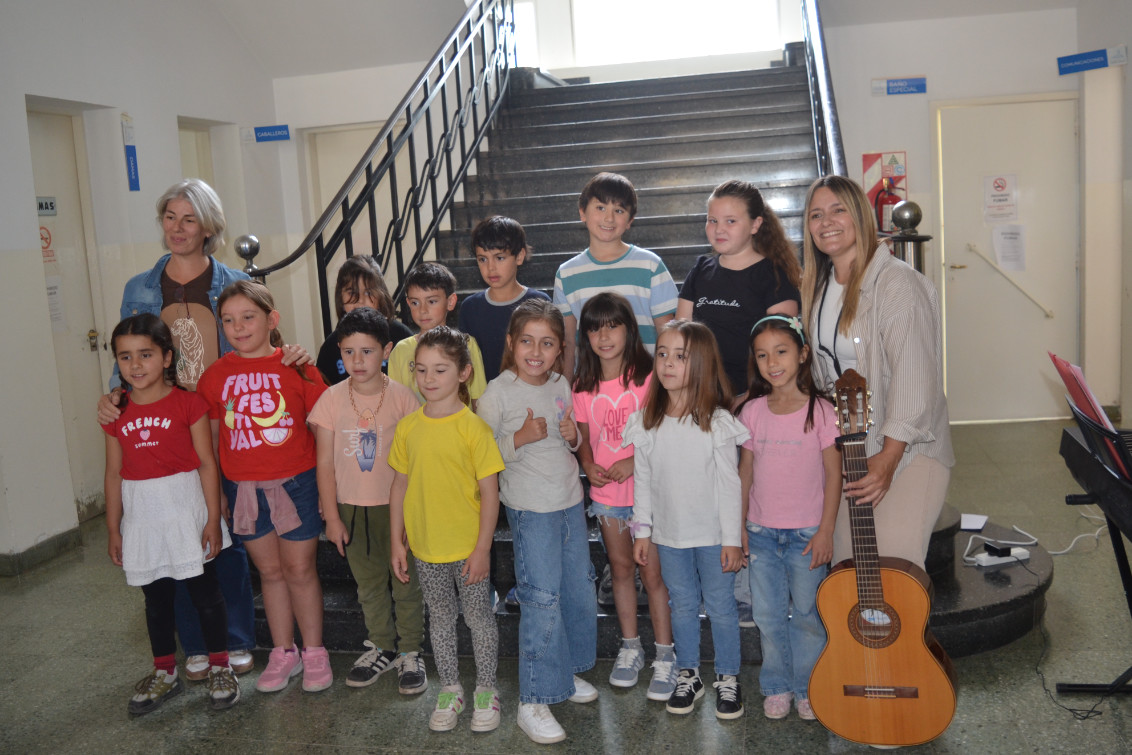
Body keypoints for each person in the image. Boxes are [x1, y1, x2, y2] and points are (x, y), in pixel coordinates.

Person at [102, 178, 263, 682]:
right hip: (164, 430)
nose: (178, 228)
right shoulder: (139, 289)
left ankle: (235, 640)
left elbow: (258, 345)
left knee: (224, 537)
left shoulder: (233, 282)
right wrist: (113, 399)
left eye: (189, 219)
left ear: (208, 227)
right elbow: (128, 353)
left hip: (223, 424)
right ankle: (194, 645)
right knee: (174, 543)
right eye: (170, 217)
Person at [800, 175, 953, 570]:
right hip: (853, 448)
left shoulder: (897, 283)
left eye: (838, 210)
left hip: (907, 449)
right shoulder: (818, 285)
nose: (826, 222)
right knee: (848, 569)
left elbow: (914, 377)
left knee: (891, 571)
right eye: (816, 215)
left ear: (861, 216)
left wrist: (888, 457)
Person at [196, 280, 336, 694]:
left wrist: (328, 490)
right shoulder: (214, 377)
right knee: (270, 573)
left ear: (271, 319)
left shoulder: (297, 367)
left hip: (297, 484)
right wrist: (219, 495)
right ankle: (283, 651)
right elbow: (211, 441)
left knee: (299, 570)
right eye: (228, 320)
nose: (238, 327)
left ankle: (315, 652)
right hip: (244, 490)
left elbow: (325, 426)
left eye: (248, 317)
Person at [102, 314, 239, 714]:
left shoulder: (189, 403)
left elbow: (207, 464)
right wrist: (114, 528)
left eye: (145, 354)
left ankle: (220, 666)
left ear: (166, 357)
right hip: (142, 515)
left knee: (205, 593)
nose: (136, 365)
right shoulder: (115, 413)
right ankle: (165, 671)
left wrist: (212, 519)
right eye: (125, 357)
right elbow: (113, 473)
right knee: (156, 599)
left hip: (185, 508)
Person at [476, 300, 598, 744]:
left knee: (578, 588)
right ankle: (533, 698)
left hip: (569, 502)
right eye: (527, 341)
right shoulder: (497, 393)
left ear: (560, 349)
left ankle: (562, 672)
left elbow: (572, 438)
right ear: (511, 343)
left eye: (547, 343)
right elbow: (479, 455)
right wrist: (518, 438)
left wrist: (574, 436)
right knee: (542, 598)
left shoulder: (562, 382)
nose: (536, 351)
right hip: (531, 510)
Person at [624, 320, 749, 719]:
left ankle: (728, 677)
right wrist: (643, 531)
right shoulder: (647, 422)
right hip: (669, 536)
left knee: (721, 607)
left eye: (680, 356)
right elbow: (643, 480)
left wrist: (732, 539)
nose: (667, 363)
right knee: (681, 605)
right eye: (662, 354)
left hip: (713, 536)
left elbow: (730, 484)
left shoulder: (716, 422)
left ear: (702, 363)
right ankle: (689, 673)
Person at [389, 326, 505, 733]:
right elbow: (399, 486)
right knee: (439, 618)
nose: (428, 378)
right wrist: (396, 542)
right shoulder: (408, 427)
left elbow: (490, 493)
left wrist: (483, 549)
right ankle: (450, 689)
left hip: (468, 547)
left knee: (478, 618)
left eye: (440, 370)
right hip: (426, 548)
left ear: (464, 373)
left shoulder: (474, 429)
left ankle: (487, 689)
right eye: (421, 369)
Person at [308, 307, 426, 693]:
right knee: (369, 583)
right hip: (351, 508)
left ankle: (410, 650)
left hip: (397, 509)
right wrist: (331, 517)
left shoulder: (404, 399)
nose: (357, 361)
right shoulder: (330, 400)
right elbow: (324, 462)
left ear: (386, 351)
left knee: (405, 581)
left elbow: (415, 461)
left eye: (367, 351)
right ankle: (382, 645)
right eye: (348, 352)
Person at [571, 292, 675, 700]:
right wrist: (587, 463)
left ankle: (665, 654)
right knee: (619, 568)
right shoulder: (582, 385)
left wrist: (634, 461)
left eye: (612, 326)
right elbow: (584, 439)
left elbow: (664, 430)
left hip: (648, 493)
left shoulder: (647, 378)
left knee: (652, 573)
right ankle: (631, 647)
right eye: (595, 329)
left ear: (629, 329)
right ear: (585, 336)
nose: (604, 336)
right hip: (609, 495)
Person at [737, 315, 840, 721]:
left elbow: (834, 474)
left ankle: (807, 687)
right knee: (767, 615)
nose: (772, 362)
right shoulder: (752, 411)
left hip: (808, 534)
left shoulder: (823, 411)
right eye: (762, 355)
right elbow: (745, 472)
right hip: (761, 532)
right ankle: (777, 685)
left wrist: (826, 530)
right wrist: (738, 526)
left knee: (809, 615)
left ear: (802, 354)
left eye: (781, 351)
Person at [676, 179, 801, 397]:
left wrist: (747, 399)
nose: (719, 229)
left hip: (755, 396)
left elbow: (781, 352)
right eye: (712, 220)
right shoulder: (700, 269)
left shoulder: (774, 276)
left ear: (755, 224)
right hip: (701, 394)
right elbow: (681, 335)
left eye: (731, 221)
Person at [553, 172, 678, 376]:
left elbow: (668, 334)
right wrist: (567, 386)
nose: (609, 218)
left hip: (645, 382)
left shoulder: (650, 265)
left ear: (630, 220)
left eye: (619, 210)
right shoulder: (566, 274)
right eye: (600, 207)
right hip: (591, 384)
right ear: (582, 212)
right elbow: (568, 341)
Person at [458, 216, 550, 383]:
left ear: (519, 256)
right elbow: (466, 363)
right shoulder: (470, 308)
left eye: (499, 258)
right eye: (482, 259)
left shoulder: (539, 302)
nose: (490, 267)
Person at [388, 262, 487, 404]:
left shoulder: (467, 344)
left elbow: (478, 399)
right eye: (415, 303)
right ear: (408, 304)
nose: (423, 310)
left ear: (450, 301)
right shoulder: (400, 351)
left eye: (432, 301)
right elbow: (397, 403)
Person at [315, 255, 414, 385]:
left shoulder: (401, 337)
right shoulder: (330, 347)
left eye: (368, 293)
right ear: (340, 298)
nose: (360, 300)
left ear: (381, 295)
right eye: (351, 292)